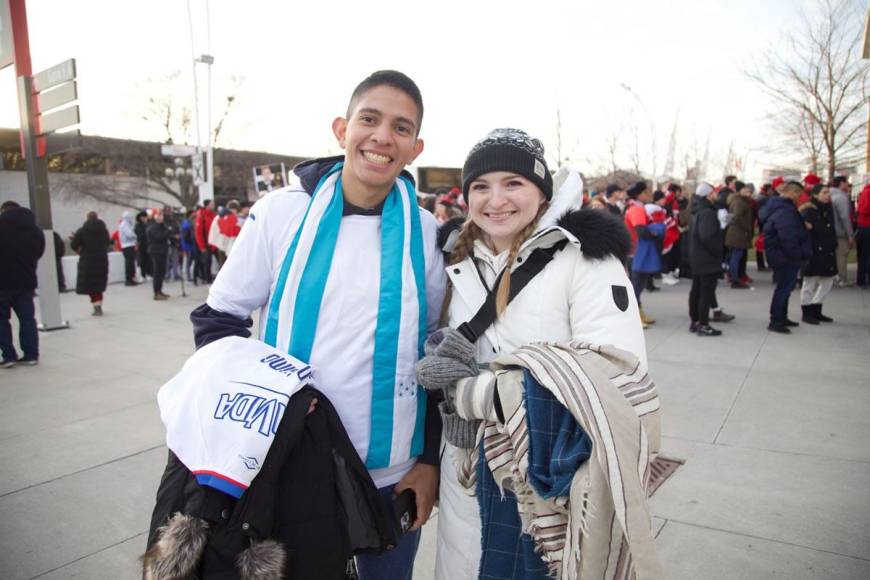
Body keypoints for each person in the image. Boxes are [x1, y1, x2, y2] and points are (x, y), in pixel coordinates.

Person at [149, 70, 446, 580]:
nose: (382, 137)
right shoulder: (283, 212)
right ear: (341, 129)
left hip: (390, 477)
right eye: (369, 120)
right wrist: (272, 395)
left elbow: (435, 356)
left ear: (415, 147)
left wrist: (428, 460)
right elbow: (217, 319)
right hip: (288, 466)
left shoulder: (426, 231)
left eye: (401, 128)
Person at [419, 129, 660, 579]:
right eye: (481, 187)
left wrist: (476, 393)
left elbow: (619, 373)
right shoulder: (456, 258)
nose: (496, 200)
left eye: (514, 183)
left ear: (542, 191)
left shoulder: (584, 259)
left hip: (548, 479)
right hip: (466, 469)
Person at [762, 181, 811, 333]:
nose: (800, 197)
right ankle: (776, 320)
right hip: (784, 256)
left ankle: (782, 317)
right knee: (783, 289)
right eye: (799, 194)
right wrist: (798, 254)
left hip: (782, 254)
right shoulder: (785, 210)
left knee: (785, 288)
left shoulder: (784, 207)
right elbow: (788, 236)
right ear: (792, 192)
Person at [0, 201, 45, 367]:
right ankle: (31, 354)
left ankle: (9, 356)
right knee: (27, 319)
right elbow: (39, 251)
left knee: (1, 321)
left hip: (2, 283)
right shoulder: (35, 230)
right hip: (26, 281)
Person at [688, 183, 724, 336]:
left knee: (697, 290)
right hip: (707, 259)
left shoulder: (696, 210)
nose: (717, 195)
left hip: (697, 257)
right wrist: (718, 251)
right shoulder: (707, 212)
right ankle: (703, 324)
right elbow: (707, 236)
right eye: (715, 192)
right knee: (705, 292)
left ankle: (695, 321)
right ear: (709, 194)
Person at [798, 184, 837, 324]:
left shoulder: (828, 209)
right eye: (824, 192)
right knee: (809, 283)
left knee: (827, 282)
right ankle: (807, 312)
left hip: (827, 251)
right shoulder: (808, 210)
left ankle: (817, 308)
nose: (828, 195)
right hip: (813, 252)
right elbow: (803, 232)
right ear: (815, 194)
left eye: (828, 192)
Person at [624, 180, 656, 326]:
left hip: (636, 251)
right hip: (636, 252)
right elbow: (641, 230)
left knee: (639, 283)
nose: (649, 194)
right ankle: (634, 317)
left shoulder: (637, 207)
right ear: (640, 194)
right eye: (647, 192)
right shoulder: (636, 209)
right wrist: (655, 233)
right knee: (636, 284)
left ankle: (638, 313)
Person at [70, 211, 111, 316]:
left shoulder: (82, 231)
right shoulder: (104, 230)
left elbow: (74, 245)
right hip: (102, 260)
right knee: (99, 283)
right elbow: (108, 242)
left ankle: (96, 306)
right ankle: (99, 305)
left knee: (91, 285)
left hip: (88, 261)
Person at [725, 181, 754, 289]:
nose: (749, 194)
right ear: (741, 190)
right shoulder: (739, 202)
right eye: (747, 191)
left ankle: (734, 277)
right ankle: (735, 279)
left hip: (736, 233)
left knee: (735, 256)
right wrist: (746, 227)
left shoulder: (739, 200)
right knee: (736, 257)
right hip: (738, 234)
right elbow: (737, 217)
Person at [830, 176, 855, 287]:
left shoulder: (829, 194)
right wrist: (850, 234)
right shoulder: (841, 197)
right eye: (846, 183)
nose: (848, 185)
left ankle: (834, 277)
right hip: (839, 231)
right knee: (841, 255)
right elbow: (845, 217)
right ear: (841, 183)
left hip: (830, 230)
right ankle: (842, 278)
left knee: (833, 255)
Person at [146, 210, 171, 301]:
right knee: (157, 272)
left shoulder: (162, 225)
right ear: (154, 216)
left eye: (161, 215)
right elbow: (159, 237)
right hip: (156, 251)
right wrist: (168, 231)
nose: (161, 217)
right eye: (159, 215)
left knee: (161, 272)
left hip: (163, 250)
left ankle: (159, 290)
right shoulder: (152, 227)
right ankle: (156, 292)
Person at [195, 199, 217, 282]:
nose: (213, 206)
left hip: (214, 243)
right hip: (206, 243)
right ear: (207, 206)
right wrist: (202, 246)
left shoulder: (214, 215)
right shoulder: (201, 216)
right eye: (211, 204)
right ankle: (207, 279)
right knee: (207, 262)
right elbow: (198, 232)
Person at [118, 211, 138, 286]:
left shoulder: (126, 224)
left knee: (131, 263)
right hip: (127, 245)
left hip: (129, 245)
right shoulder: (124, 224)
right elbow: (129, 234)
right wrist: (135, 236)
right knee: (129, 264)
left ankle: (131, 279)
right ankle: (128, 280)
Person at [856, 183, 870, 288]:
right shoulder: (867, 192)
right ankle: (863, 279)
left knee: (864, 255)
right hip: (867, 227)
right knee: (866, 255)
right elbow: (864, 210)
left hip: (865, 226)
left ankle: (862, 279)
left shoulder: (865, 192)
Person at [135, 210, 153, 280]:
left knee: (149, 260)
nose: (144, 218)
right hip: (141, 245)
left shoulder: (149, 224)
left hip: (149, 244)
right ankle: (143, 274)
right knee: (142, 260)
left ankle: (149, 273)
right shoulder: (138, 225)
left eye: (145, 217)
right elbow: (139, 234)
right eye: (142, 217)